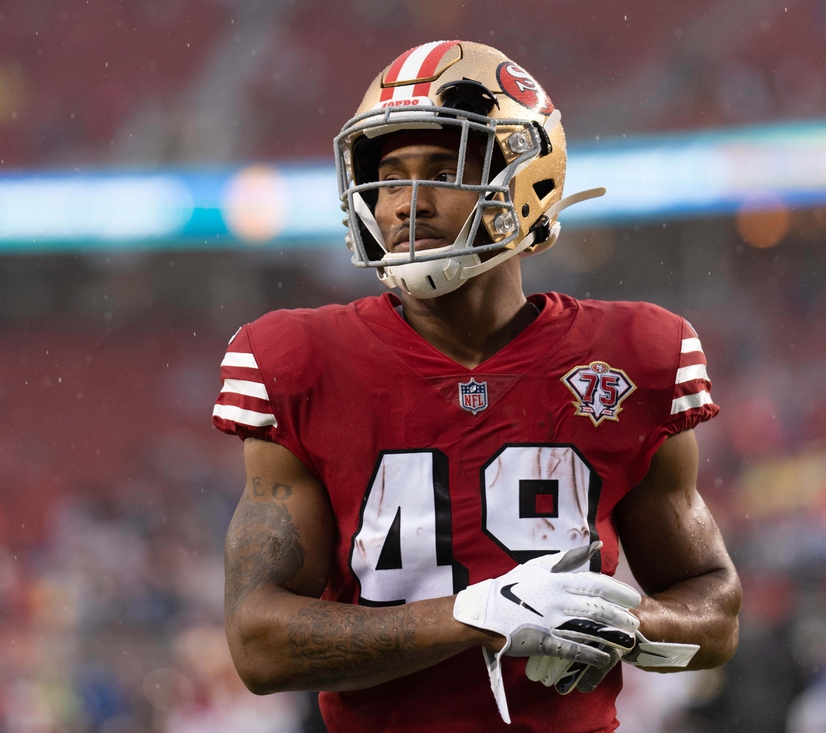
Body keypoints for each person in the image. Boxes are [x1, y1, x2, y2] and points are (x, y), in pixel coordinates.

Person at [213, 40, 741, 732]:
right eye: (390, 175)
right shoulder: (301, 360)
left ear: (528, 181)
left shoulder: (635, 355)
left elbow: (716, 610)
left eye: (442, 169)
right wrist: (478, 614)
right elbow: (258, 642)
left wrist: (623, 621)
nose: (407, 202)